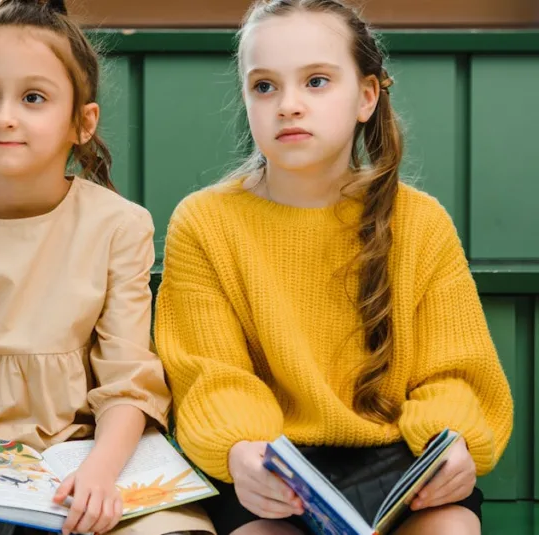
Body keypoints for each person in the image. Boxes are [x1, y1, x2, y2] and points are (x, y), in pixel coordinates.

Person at [155, 1, 514, 534]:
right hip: (272, 468)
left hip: (403, 469)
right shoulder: (205, 222)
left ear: (366, 96)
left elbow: (456, 371)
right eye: (264, 86)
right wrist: (240, 453)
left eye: (317, 82)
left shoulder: (420, 221)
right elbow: (211, 375)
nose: (288, 105)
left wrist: (453, 442)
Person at [0, 1, 213, 534]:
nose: (4, 116)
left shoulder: (119, 226)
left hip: (88, 449)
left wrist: (100, 472)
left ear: (82, 122)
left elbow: (128, 381)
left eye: (33, 98)